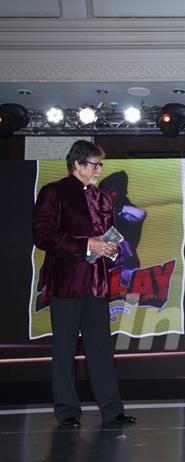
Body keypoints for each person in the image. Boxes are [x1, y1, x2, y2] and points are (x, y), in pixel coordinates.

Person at [32, 140, 136, 427]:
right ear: (77, 164)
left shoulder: (102, 199)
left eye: (101, 164)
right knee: (64, 349)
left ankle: (112, 410)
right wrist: (85, 243)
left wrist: (111, 249)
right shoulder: (54, 192)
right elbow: (43, 235)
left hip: (97, 283)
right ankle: (67, 411)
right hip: (66, 283)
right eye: (94, 164)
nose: (99, 169)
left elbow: (105, 237)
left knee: (101, 348)